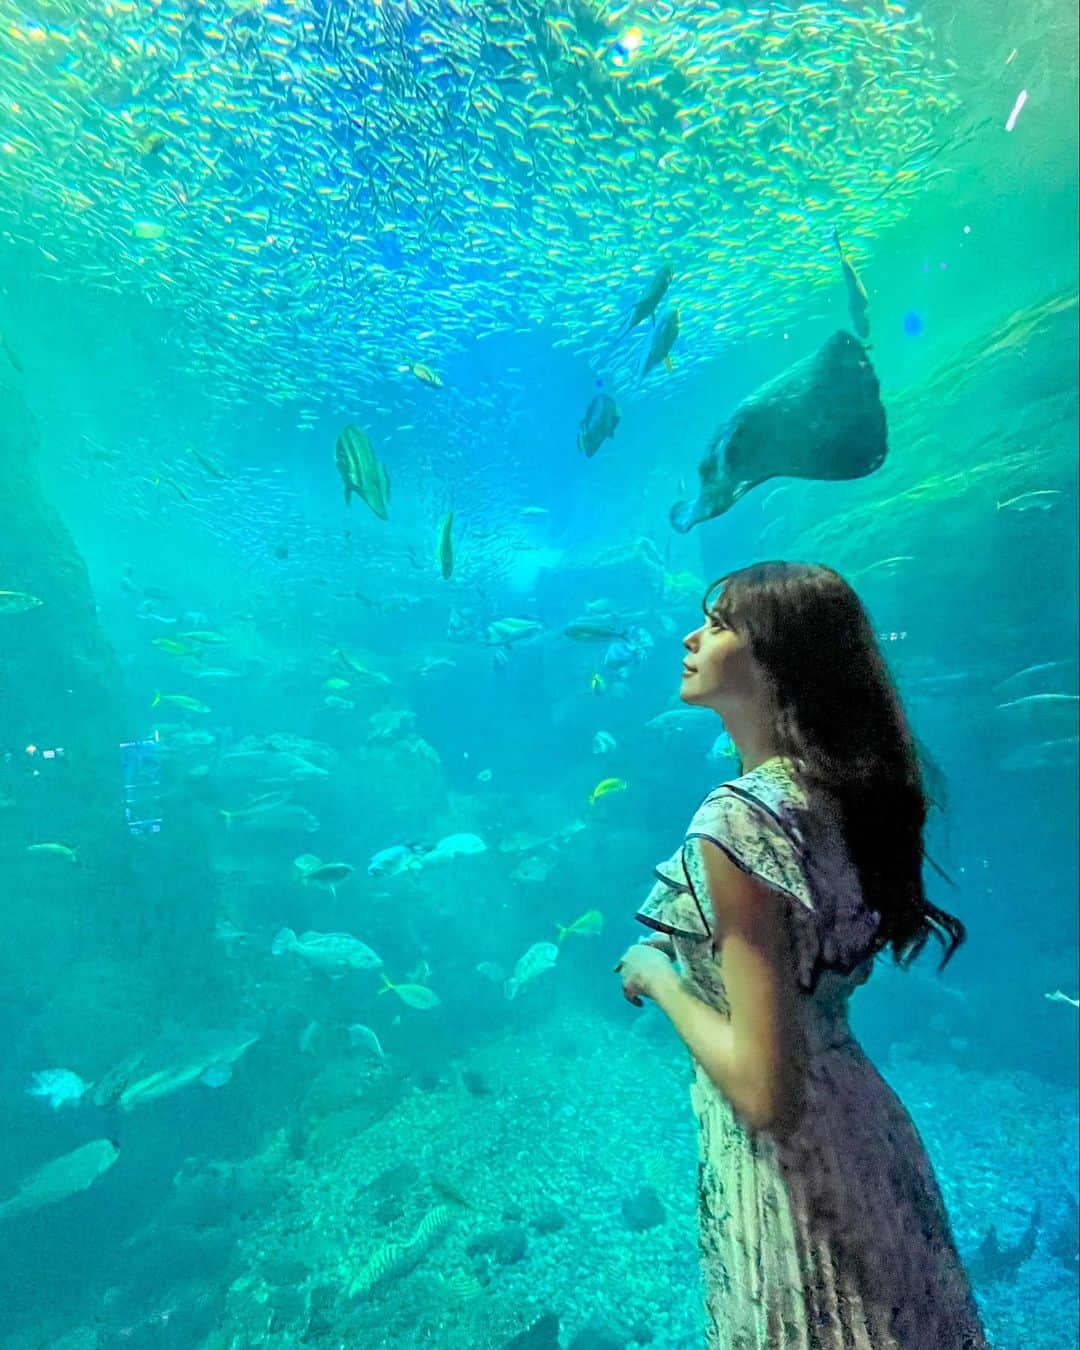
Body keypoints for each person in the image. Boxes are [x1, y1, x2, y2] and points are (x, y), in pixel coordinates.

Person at [615, 562, 988, 1350]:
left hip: (796, 1181)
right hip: (866, 1133)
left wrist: (661, 977)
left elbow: (763, 1091)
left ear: (777, 661)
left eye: (717, 624)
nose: (691, 635)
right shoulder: (835, 789)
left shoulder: (741, 817)